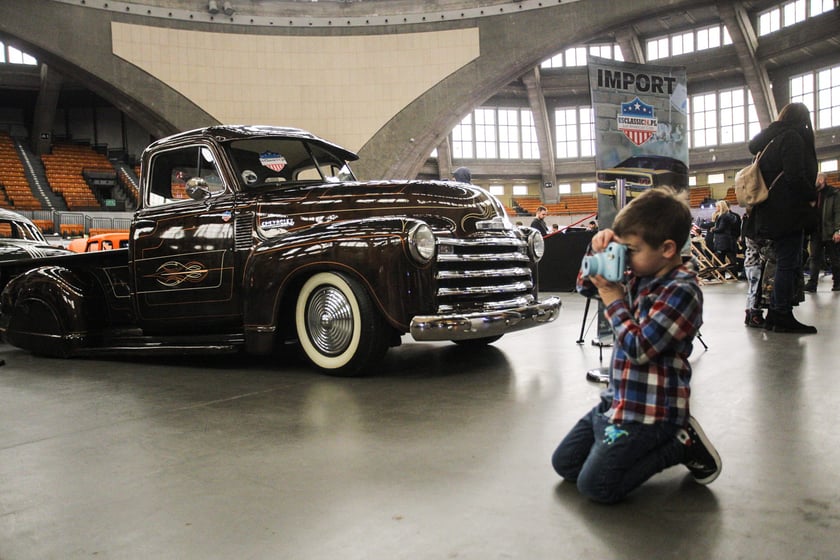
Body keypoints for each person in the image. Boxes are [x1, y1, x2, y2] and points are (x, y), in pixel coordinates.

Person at [551, 187, 721, 504]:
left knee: (595, 487)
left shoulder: (682, 291)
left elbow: (639, 349)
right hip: (617, 401)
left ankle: (680, 444)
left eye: (632, 249)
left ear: (668, 248)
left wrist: (613, 298)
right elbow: (583, 287)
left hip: (653, 413)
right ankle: (619, 443)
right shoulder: (639, 273)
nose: (625, 257)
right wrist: (597, 252)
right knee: (565, 464)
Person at [744, 102, 818, 333]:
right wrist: (811, 195)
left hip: (767, 213)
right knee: (788, 263)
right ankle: (781, 313)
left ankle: (776, 312)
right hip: (787, 213)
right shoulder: (793, 138)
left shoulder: (769, 141)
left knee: (780, 263)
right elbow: (795, 176)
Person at [804, 173, 840, 292]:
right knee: (814, 258)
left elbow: (838, 213)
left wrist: (837, 230)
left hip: (830, 231)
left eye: (816, 179)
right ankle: (812, 284)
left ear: (821, 180)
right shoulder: (813, 194)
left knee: (834, 258)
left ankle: (838, 283)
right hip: (816, 231)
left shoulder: (834, 194)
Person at [710, 200, 739, 275]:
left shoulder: (722, 216)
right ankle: (734, 274)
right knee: (731, 258)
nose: (716, 208)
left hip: (722, 241)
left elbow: (721, 229)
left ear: (721, 207)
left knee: (720, 259)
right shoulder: (729, 216)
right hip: (728, 240)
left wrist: (713, 230)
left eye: (717, 206)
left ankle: (721, 274)